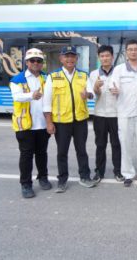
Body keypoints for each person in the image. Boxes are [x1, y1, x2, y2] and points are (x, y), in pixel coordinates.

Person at [42, 46, 96, 193]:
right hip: (61, 122)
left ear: (76, 59)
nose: (70, 59)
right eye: (67, 56)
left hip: (80, 120)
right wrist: (49, 122)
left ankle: (85, 176)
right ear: (61, 58)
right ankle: (62, 180)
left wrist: (88, 95)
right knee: (62, 152)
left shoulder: (83, 76)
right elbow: (46, 102)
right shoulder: (53, 77)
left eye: (72, 56)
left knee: (82, 150)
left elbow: (91, 93)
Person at [9, 48, 52, 198]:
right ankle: (26, 184)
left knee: (42, 154)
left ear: (42, 63)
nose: (36, 63)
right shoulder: (17, 79)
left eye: (39, 61)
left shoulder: (47, 78)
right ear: (27, 62)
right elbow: (17, 97)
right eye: (32, 60)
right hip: (24, 125)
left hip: (43, 123)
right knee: (26, 155)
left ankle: (43, 177)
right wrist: (31, 95)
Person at [109, 40, 137, 187]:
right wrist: (114, 90)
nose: (133, 52)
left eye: (136, 49)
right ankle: (128, 173)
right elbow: (112, 86)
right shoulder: (119, 70)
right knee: (126, 144)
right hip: (125, 113)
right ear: (126, 52)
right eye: (130, 49)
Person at [89, 45, 124, 184]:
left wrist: (119, 92)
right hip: (99, 114)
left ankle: (118, 171)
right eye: (102, 56)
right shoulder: (93, 74)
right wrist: (96, 87)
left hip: (116, 114)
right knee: (100, 144)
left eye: (107, 56)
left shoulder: (119, 72)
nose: (105, 58)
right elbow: (92, 95)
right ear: (99, 58)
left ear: (112, 57)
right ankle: (99, 172)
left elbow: (124, 92)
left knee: (116, 144)